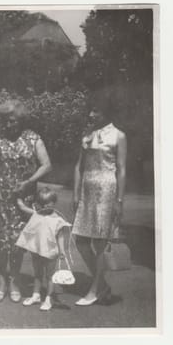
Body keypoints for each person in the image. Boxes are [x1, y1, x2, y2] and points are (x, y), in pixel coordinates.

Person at [0, 99, 52, 303]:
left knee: (19, 241)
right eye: (6, 120)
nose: (10, 124)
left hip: (23, 198)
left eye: (13, 121)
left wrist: (29, 181)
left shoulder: (33, 138)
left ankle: (15, 280)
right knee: (0, 240)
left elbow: (46, 165)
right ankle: (1, 280)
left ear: (21, 120)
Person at [72, 94, 127, 306]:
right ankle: (102, 285)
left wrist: (119, 201)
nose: (91, 114)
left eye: (96, 110)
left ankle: (94, 290)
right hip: (87, 191)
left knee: (100, 242)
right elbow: (78, 166)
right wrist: (76, 194)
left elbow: (121, 170)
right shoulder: (87, 134)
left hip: (107, 190)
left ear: (106, 112)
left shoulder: (119, 136)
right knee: (81, 240)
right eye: (90, 110)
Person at [15, 187, 72, 311]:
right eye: (42, 204)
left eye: (48, 204)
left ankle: (49, 298)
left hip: (50, 251)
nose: (45, 207)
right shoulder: (37, 213)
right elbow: (23, 208)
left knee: (49, 275)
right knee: (37, 273)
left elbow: (60, 236)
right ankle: (36, 295)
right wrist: (18, 198)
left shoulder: (58, 219)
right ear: (38, 204)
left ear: (54, 203)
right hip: (37, 249)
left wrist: (62, 251)